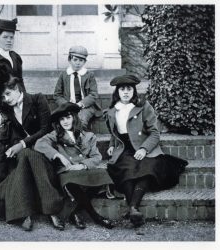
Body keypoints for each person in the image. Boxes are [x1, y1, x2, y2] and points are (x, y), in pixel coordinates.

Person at [0, 71, 64, 231]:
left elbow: (45, 129)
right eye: (3, 97)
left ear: (17, 87)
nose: (6, 99)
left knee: (27, 155)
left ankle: (26, 212)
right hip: (21, 155)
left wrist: (22, 143)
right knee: (25, 157)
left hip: (43, 151)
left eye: (8, 94)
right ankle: (50, 210)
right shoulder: (6, 110)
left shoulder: (37, 99)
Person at [105, 75, 188, 227]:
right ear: (117, 92)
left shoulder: (144, 106)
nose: (125, 92)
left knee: (148, 169)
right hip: (124, 148)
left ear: (134, 91)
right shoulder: (112, 110)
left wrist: (144, 149)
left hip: (144, 145)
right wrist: (112, 144)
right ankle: (134, 209)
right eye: (122, 89)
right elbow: (114, 133)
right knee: (126, 171)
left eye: (129, 89)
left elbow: (155, 133)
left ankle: (132, 208)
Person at [35, 102, 114, 229]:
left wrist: (83, 165)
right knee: (71, 183)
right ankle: (96, 217)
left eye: (68, 117)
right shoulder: (56, 135)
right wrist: (58, 155)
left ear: (74, 118)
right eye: (62, 119)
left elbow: (97, 157)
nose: (65, 122)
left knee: (102, 176)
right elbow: (39, 144)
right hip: (68, 171)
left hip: (83, 169)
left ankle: (75, 212)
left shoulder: (88, 136)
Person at [53, 45, 101, 130]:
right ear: (69, 60)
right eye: (75, 60)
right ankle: (68, 141)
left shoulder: (89, 75)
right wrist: (67, 105)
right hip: (68, 105)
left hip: (85, 106)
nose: (78, 63)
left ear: (84, 62)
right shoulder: (64, 75)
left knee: (81, 121)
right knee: (63, 121)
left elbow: (93, 94)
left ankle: (80, 141)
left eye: (81, 60)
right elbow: (57, 95)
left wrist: (81, 104)